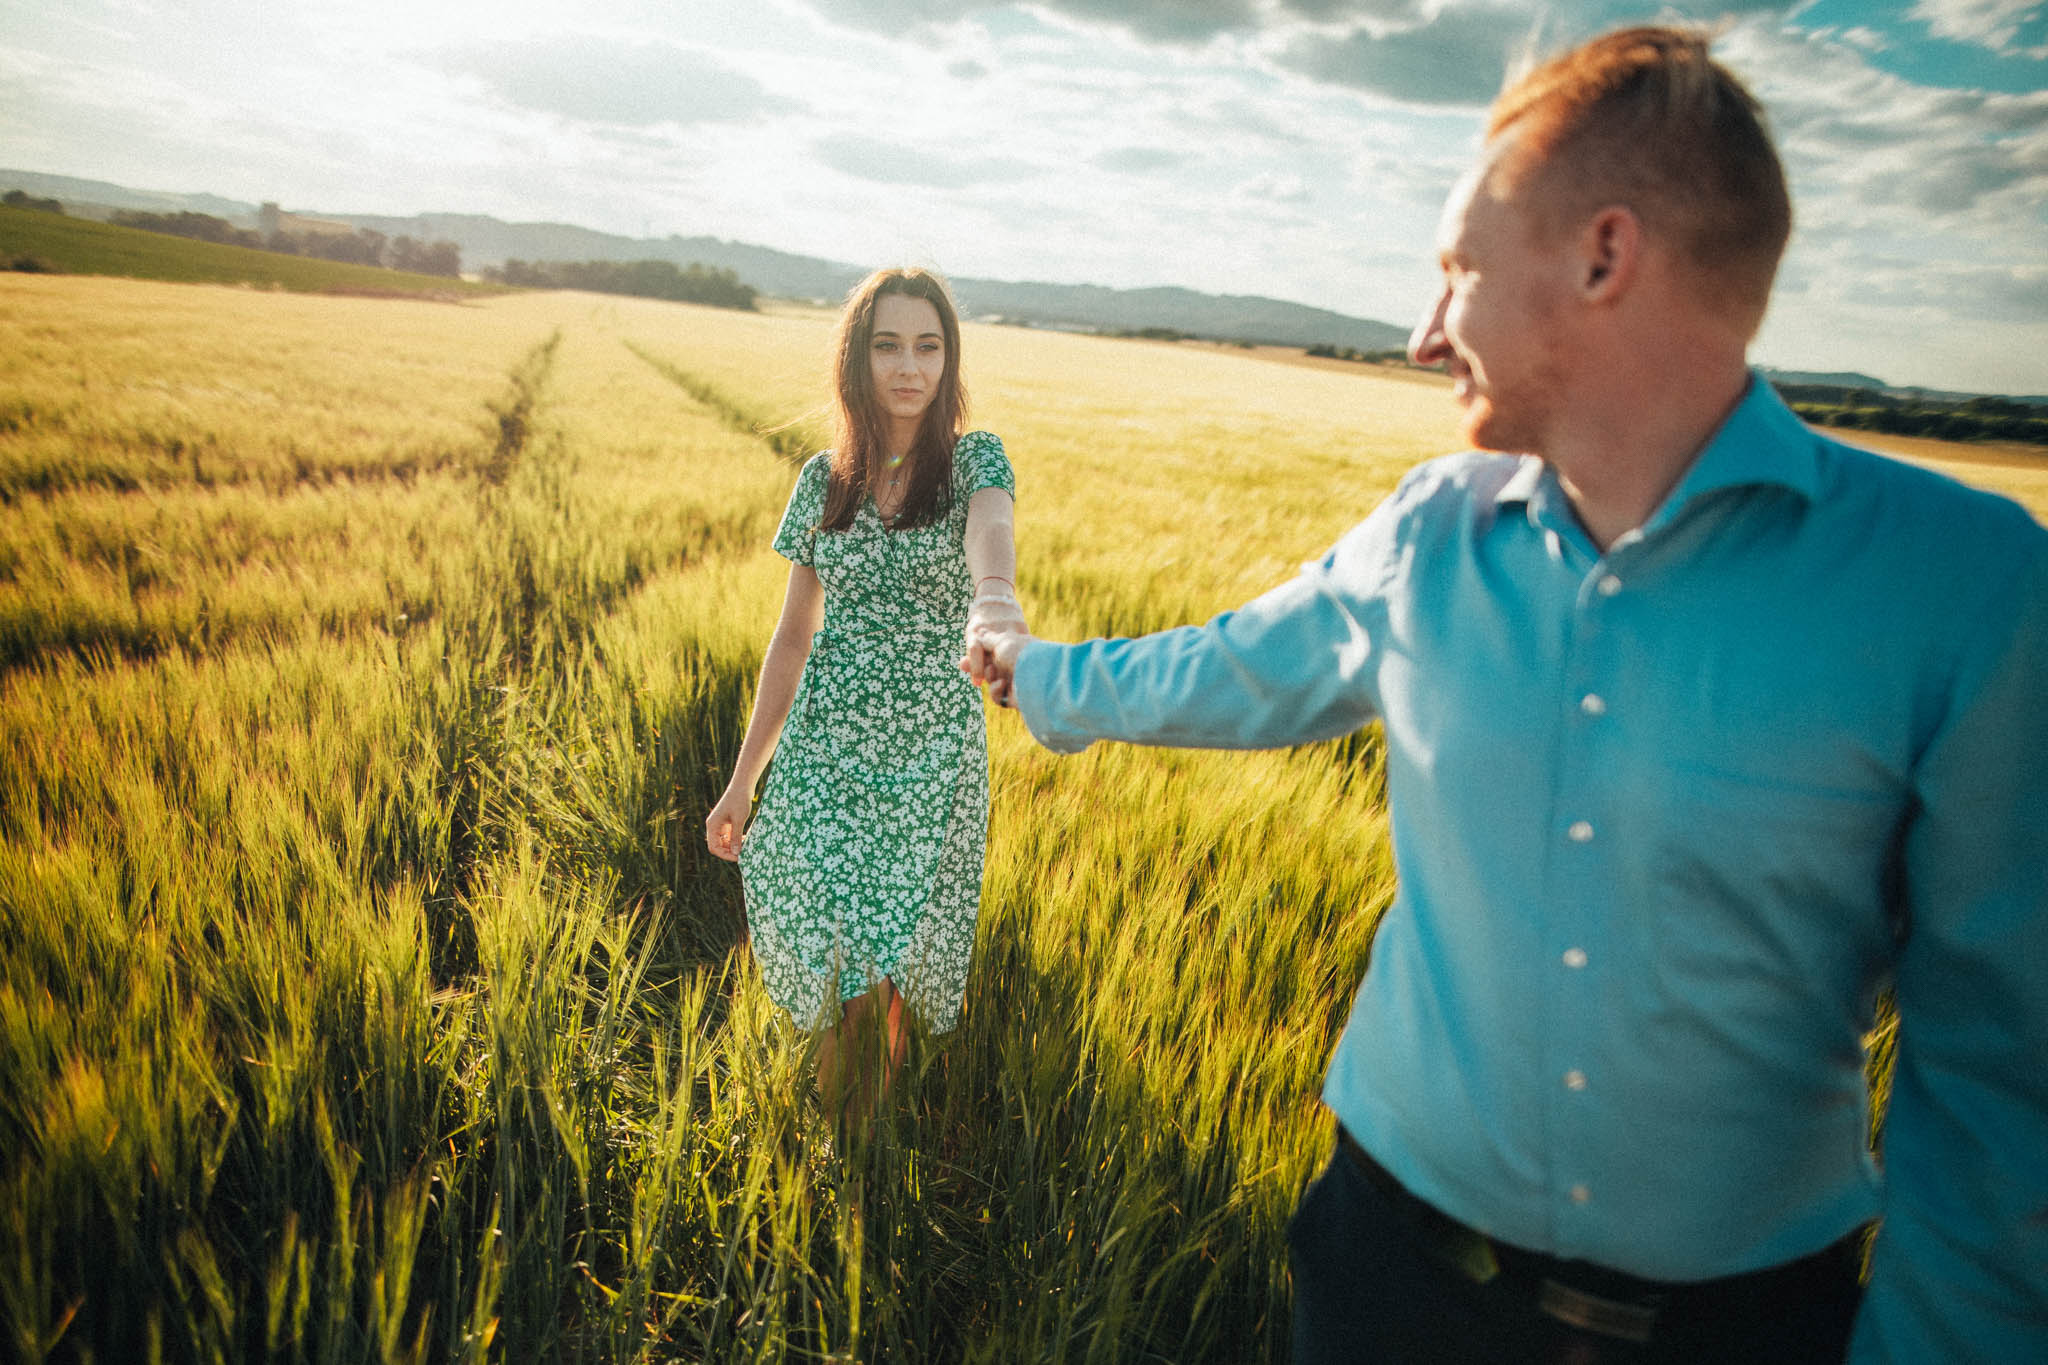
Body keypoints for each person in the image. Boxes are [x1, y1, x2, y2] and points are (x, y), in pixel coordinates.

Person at [964, 26, 2046, 1365]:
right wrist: (1039, 677)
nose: (1424, 335)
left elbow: (2007, 1075)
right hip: (1384, 1287)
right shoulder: (1429, 532)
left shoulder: (1964, 585)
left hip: (1744, 1335)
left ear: (1603, 257)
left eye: (1458, 271)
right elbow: (1241, 667)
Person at [708, 266, 1024, 1121]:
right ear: (858, 357)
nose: (909, 366)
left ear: (949, 360)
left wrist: (995, 602)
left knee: (877, 963)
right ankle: (849, 1140)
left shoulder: (973, 463)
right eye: (888, 345)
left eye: (928, 346)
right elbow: (792, 635)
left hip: (924, 753)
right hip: (825, 744)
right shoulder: (824, 480)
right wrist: (744, 780)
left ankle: (860, 1147)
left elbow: (992, 535)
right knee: (833, 946)